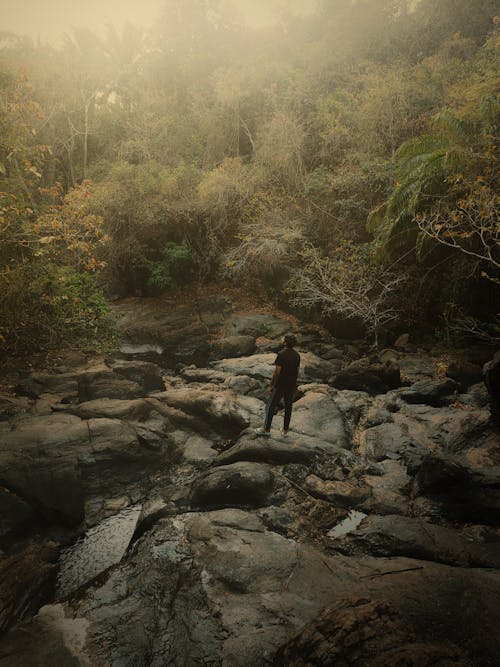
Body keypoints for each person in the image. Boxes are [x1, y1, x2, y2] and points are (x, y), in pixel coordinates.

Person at [255, 333, 300, 436]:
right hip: (291, 385)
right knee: (288, 406)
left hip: (280, 385)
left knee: (270, 406)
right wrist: (294, 384)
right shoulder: (297, 355)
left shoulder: (281, 354)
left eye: (283, 339)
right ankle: (285, 431)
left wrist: (271, 385)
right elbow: (297, 371)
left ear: (285, 342)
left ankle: (266, 430)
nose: (281, 339)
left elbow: (277, 372)